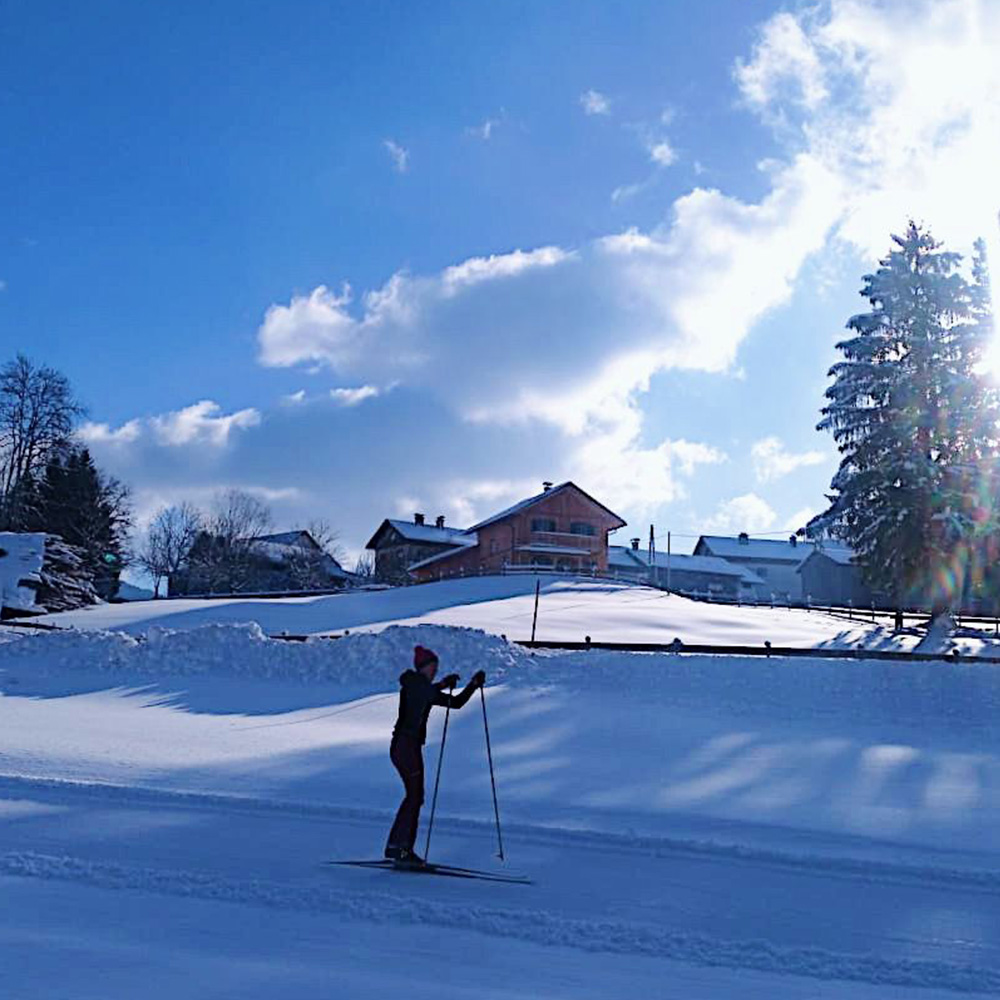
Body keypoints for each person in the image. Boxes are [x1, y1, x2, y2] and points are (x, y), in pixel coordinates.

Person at [385, 644, 486, 865]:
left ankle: (397, 847)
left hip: (402, 747)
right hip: (407, 748)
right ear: (423, 667)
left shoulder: (414, 684)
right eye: (433, 667)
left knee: (413, 796)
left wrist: (442, 684)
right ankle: (401, 850)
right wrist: (473, 685)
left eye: (436, 668)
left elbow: (426, 693)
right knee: (415, 797)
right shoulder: (422, 688)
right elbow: (456, 703)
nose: (435, 671)